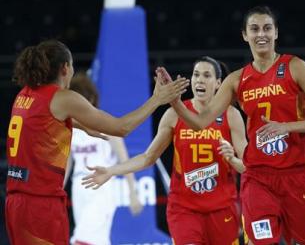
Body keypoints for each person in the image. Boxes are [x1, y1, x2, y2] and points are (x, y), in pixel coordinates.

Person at [157, 6, 305, 245]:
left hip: (299, 175)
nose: (261, 34)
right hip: (259, 177)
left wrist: (287, 127)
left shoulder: (295, 67)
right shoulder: (236, 80)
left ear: (276, 33)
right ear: (245, 35)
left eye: (267, 28)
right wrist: (175, 102)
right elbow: (200, 122)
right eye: (254, 29)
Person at [5, 40, 188, 244]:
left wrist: (82, 125)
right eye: (72, 65)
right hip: (40, 204)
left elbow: (41, 121)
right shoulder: (63, 97)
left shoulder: (24, 95)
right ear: (65, 68)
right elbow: (122, 128)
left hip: (16, 200)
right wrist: (157, 99)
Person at [81, 56, 248, 245]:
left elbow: (248, 166)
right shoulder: (174, 115)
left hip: (222, 209)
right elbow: (147, 158)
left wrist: (233, 159)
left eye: (206, 75)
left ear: (218, 83)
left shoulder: (231, 116)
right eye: (196, 75)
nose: (199, 80)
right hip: (185, 209)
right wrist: (111, 171)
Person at [65, 73, 144, 245]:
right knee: (98, 240)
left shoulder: (107, 124)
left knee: (83, 238)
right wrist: (56, 189)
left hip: (102, 188)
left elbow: (125, 160)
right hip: (79, 189)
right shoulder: (70, 128)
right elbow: (68, 162)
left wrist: (133, 192)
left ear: (91, 98)